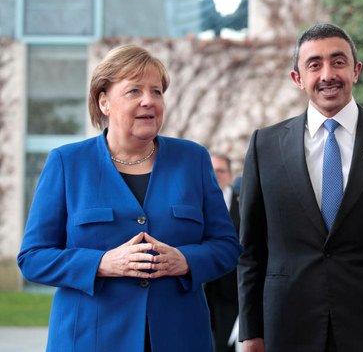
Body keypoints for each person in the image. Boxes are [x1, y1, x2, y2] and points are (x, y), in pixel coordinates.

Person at [17, 45, 242, 351]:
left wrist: (185, 260)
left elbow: (227, 247)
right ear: (104, 101)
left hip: (180, 338)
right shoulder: (68, 163)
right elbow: (32, 258)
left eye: (157, 91)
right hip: (89, 339)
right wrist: (101, 263)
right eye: (134, 91)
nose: (148, 100)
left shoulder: (193, 159)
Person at [238, 23, 363, 352]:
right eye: (314, 65)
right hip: (288, 328)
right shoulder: (265, 145)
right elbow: (251, 250)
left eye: (339, 61)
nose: (328, 74)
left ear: (356, 70)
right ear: (297, 79)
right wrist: (250, 331)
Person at [206, 153, 241, 352]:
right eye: (212, 170)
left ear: (229, 175)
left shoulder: (243, 204)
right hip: (201, 290)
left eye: (220, 170)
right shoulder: (193, 202)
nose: (216, 175)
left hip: (232, 293)